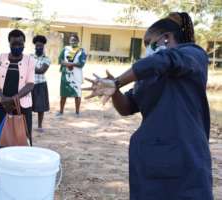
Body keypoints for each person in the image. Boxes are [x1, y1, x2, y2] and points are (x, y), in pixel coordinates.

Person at [85, 12, 213, 200]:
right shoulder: (148, 76)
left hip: (186, 156)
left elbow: (163, 61)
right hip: (150, 159)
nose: (146, 50)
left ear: (167, 38)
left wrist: (118, 82)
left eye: (148, 43)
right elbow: (127, 107)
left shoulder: (193, 55)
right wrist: (115, 92)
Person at [0, 29, 35, 159]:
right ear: (9, 43)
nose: (17, 47)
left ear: (24, 43)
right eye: (14, 44)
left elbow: (30, 83)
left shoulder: (30, 60)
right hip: (0, 102)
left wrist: (15, 99)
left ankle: (21, 159)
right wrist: (2, 98)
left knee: (22, 133)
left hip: (22, 104)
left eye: (20, 44)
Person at [58, 34, 86, 117]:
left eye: (74, 40)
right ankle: (61, 111)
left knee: (77, 94)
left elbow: (81, 63)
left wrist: (71, 64)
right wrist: (68, 64)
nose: (72, 42)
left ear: (78, 41)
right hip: (66, 75)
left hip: (76, 75)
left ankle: (77, 112)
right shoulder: (65, 49)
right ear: (69, 41)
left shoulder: (81, 51)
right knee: (63, 94)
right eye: (71, 40)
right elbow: (60, 60)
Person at [31, 35, 51, 132]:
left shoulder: (47, 59)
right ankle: (28, 124)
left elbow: (41, 71)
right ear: (34, 46)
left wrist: (30, 67)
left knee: (41, 107)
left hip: (41, 84)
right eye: (37, 46)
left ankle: (39, 126)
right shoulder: (30, 56)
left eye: (41, 46)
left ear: (43, 47)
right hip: (29, 84)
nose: (39, 48)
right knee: (27, 106)